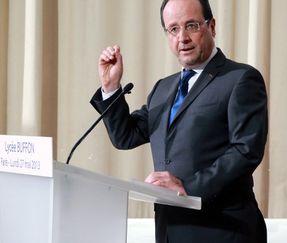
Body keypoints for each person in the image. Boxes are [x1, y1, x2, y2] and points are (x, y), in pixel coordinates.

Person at [90, 0, 268, 242]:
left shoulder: (240, 79)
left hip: (223, 230)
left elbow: (246, 151)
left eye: (192, 25)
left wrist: (187, 188)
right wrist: (111, 88)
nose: (182, 37)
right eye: (173, 29)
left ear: (212, 26)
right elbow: (126, 136)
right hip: (169, 229)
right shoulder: (163, 89)